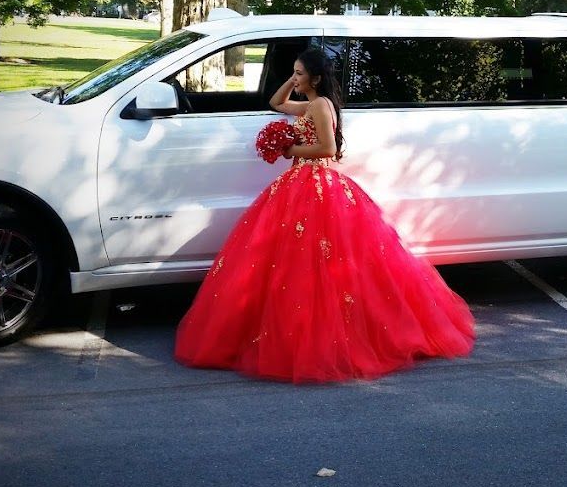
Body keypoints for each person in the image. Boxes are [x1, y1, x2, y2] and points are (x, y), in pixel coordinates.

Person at [174, 47, 476, 382]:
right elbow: (276, 102)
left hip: (314, 179)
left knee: (315, 259)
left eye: (300, 73)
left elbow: (328, 148)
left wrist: (289, 149)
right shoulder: (312, 103)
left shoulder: (319, 105)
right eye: (294, 72)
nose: (295, 78)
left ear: (316, 79)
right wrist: (292, 80)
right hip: (301, 179)